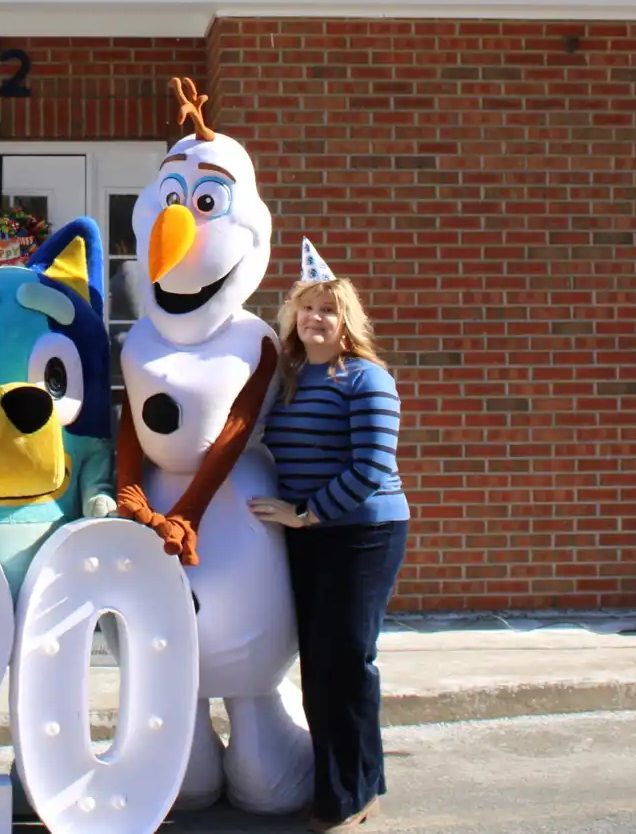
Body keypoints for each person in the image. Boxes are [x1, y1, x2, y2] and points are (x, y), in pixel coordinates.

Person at [248, 239, 409, 833]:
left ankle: (346, 800)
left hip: (362, 534)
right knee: (320, 666)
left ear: (347, 320)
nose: (316, 319)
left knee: (345, 663)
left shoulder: (366, 379)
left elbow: (370, 468)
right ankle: (355, 784)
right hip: (310, 535)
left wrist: (306, 514)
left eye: (328, 310)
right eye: (307, 308)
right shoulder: (291, 379)